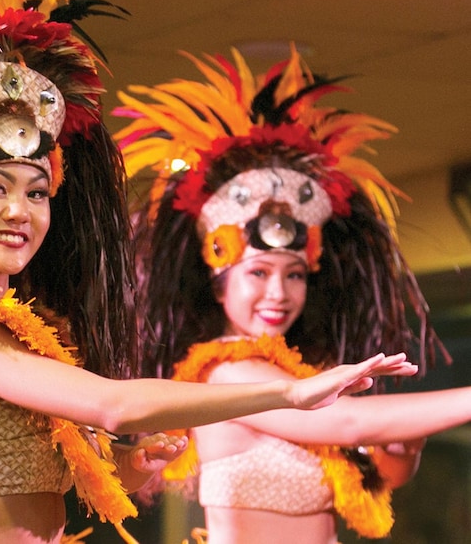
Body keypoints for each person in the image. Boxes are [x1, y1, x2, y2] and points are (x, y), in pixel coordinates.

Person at [0, 0, 416, 542]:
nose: (21, 210)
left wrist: (124, 465)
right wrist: (292, 391)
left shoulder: (23, 331)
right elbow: (114, 402)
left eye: (37, 190)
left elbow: (65, 466)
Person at [116, 44, 471, 544]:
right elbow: (347, 425)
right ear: (219, 283)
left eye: (295, 274)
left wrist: (402, 450)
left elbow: (378, 472)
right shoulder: (223, 372)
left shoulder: (298, 371)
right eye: (258, 273)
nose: (278, 293)